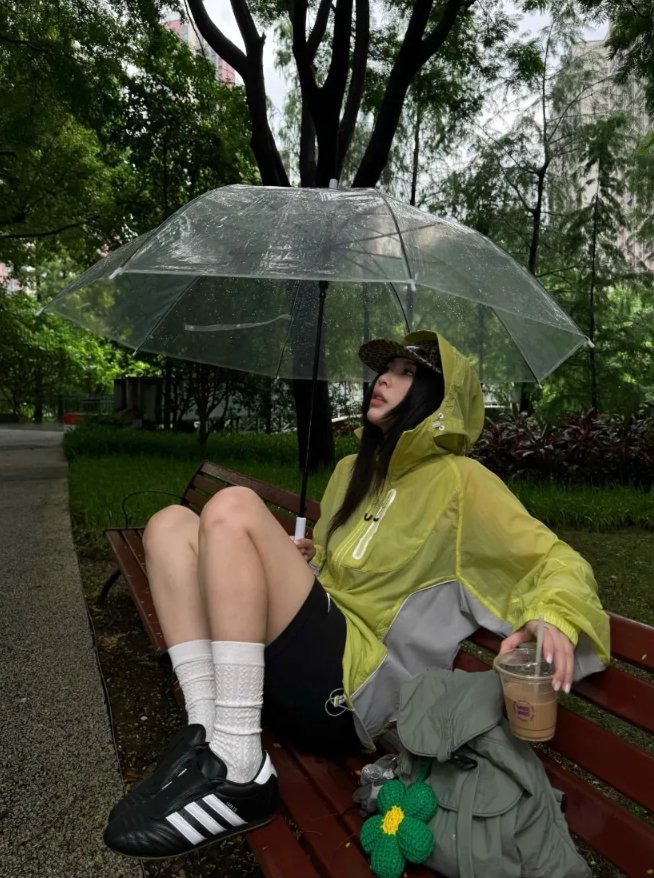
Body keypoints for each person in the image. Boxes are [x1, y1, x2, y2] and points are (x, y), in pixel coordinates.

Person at [104, 330, 610, 859]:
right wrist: (309, 559)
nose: (384, 379)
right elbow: (344, 567)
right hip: (304, 663)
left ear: (440, 400)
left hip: (354, 692)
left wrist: (554, 614)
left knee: (234, 507)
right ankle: (207, 734)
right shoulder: (352, 471)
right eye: (384, 370)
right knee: (169, 524)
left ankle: (239, 768)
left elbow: (555, 559)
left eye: (406, 373)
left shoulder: (462, 483)